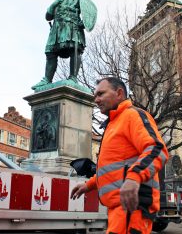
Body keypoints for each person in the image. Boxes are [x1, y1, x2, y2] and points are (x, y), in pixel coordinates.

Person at [71, 77, 168, 234]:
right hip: (121, 208)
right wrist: (88, 185)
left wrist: (133, 178)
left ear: (119, 93)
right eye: (95, 95)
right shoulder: (113, 124)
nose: (96, 100)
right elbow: (114, 169)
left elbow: (157, 149)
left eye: (101, 94)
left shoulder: (132, 115)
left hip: (133, 206)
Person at [32, 0, 96, 90]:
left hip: (71, 26)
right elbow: (48, 16)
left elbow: (90, 11)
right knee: (50, 52)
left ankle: (73, 77)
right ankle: (47, 79)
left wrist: (84, 22)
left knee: (74, 50)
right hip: (57, 28)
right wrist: (55, 3)